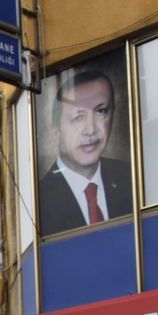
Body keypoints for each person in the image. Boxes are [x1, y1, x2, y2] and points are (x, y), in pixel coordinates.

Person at [37, 69, 134, 233]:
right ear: (56, 133)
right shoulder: (39, 201)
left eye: (100, 111)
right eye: (78, 117)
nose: (91, 129)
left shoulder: (132, 176)